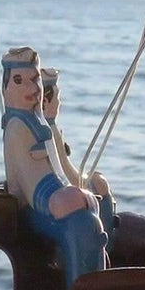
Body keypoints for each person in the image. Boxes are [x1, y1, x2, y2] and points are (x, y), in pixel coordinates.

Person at [0, 47, 108, 290]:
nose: (32, 88)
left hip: (51, 192)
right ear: (7, 87)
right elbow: (29, 181)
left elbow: (59, 169)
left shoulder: (36, 123)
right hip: (32, 205)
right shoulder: (17, 127)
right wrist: (61, 197)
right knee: (81, 217)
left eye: (35, 80)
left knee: (87, 214)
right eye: (19, 81)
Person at [40, 65, 117, 247]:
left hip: (60, 184)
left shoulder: (47, 128)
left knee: (97, 180)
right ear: (45, 102)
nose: (59, 103)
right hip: (62, 186)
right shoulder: (48, 131)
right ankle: (108, 241)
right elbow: (62, 170)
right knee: (100, 184)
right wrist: (88, 184)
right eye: (57, 98)